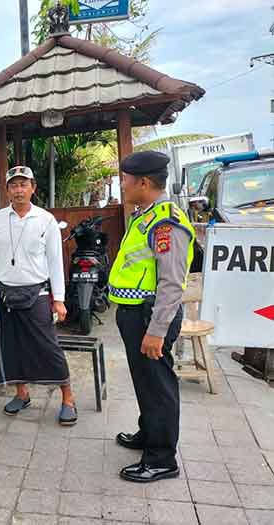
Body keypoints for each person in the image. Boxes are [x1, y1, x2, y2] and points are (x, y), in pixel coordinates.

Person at [108, 150, 195, 483]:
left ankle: (161, 459)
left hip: (151, 317)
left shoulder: (165, 222)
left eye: (125, 180)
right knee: (145, 380)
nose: (122, 185)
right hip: (136, 314)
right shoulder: (145, 215)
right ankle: (149, 434)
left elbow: (172, 284)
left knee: (158, 385)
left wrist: (157, 331)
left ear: (143, 182)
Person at [0, 166, 77, 425]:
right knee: (10, 347)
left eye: (24, 184)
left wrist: (59, 299)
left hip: (37, 294)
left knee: (48, 348)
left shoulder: (45, 220)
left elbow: (56, 261)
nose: (19, 189)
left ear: (33, 188)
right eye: (14, 185)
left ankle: (67, 398)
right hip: (3, 295)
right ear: (7, 189)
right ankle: (22, 394)